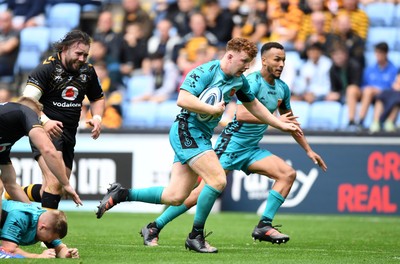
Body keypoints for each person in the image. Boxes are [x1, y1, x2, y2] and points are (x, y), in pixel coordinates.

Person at [95, 38, 302, 253]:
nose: (247, 66)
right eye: (244, 61)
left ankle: (121, 194)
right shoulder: (205, 71)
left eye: (249, 62)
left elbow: (255, 106)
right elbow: (182, 99)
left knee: (175, 196)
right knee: (217, 180)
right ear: (230, 56)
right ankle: (196, 236)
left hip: (201, 135)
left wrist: (279, 123)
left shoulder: (240, 80)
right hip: (186, 130)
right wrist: (211, 110)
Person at [138, 41, 327, 247]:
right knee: (198, 193)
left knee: (287, 174)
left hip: (252, 148)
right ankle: (156, 225)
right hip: (231, 144)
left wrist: (308, 150)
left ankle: (264, 225)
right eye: (277, 59)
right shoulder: (250, 81)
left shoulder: (282, 89)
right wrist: (275, 121)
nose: (281, 64)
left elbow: (290, 122)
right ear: (263, 61)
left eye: (284, 60)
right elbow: (243, 113)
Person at [18, 30, 105, 210]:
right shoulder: (47, 69)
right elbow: (27, 102)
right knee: (55, 183)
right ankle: (49, 237)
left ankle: (12, 192)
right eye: (78, 54)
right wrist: (45, 121)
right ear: (65, 49)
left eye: (86, 55)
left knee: (54, 188)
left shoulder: (87, 71)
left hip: (68, 133)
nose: (82, 58)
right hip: (43, 130)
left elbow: (97, 98)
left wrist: (96, 117)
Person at [0, 97, 82, 221]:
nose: (39, 123)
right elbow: (48, 150)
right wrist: (65, 184)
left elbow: (11, 185)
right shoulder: (26, 111)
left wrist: (35, 216)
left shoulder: (6, 133)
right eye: (39, 119)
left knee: (7, 182)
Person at [0, 200, 79, 258]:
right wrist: (38, 256)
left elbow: (59, 248)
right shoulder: (20, 217)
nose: (49, 242)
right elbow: (8, 249)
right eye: (50, 238)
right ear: (42, 227)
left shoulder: (46, 223)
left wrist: (68, 253)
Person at [356, 42, 398, 130]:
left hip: (386, 95)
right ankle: (361, 121)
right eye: (376, 53)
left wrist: (378, 90)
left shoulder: (394, 69)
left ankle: (373, 122)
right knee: (368, 91)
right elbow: (364, 85)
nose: (378, 55)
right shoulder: (370, 69)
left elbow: (394, 88)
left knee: (378, 97)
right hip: (370, 95)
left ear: (386, 54)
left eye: (380, 53)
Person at [0, 10, 20, 102]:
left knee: (2, 96)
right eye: (1, 20)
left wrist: (3, 46)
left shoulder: (16, 33)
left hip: (7, 72)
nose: (2, 22)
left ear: (11, 20)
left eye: (5, 20)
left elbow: (8, 47)